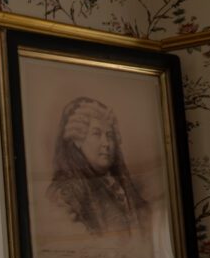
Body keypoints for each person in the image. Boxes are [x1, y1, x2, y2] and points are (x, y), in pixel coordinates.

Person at [47, 97, 148, 235]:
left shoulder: (122, 184)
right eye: (96, 133)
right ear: (77, 141)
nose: (106, 143)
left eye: (109, 135)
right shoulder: (64, 193)